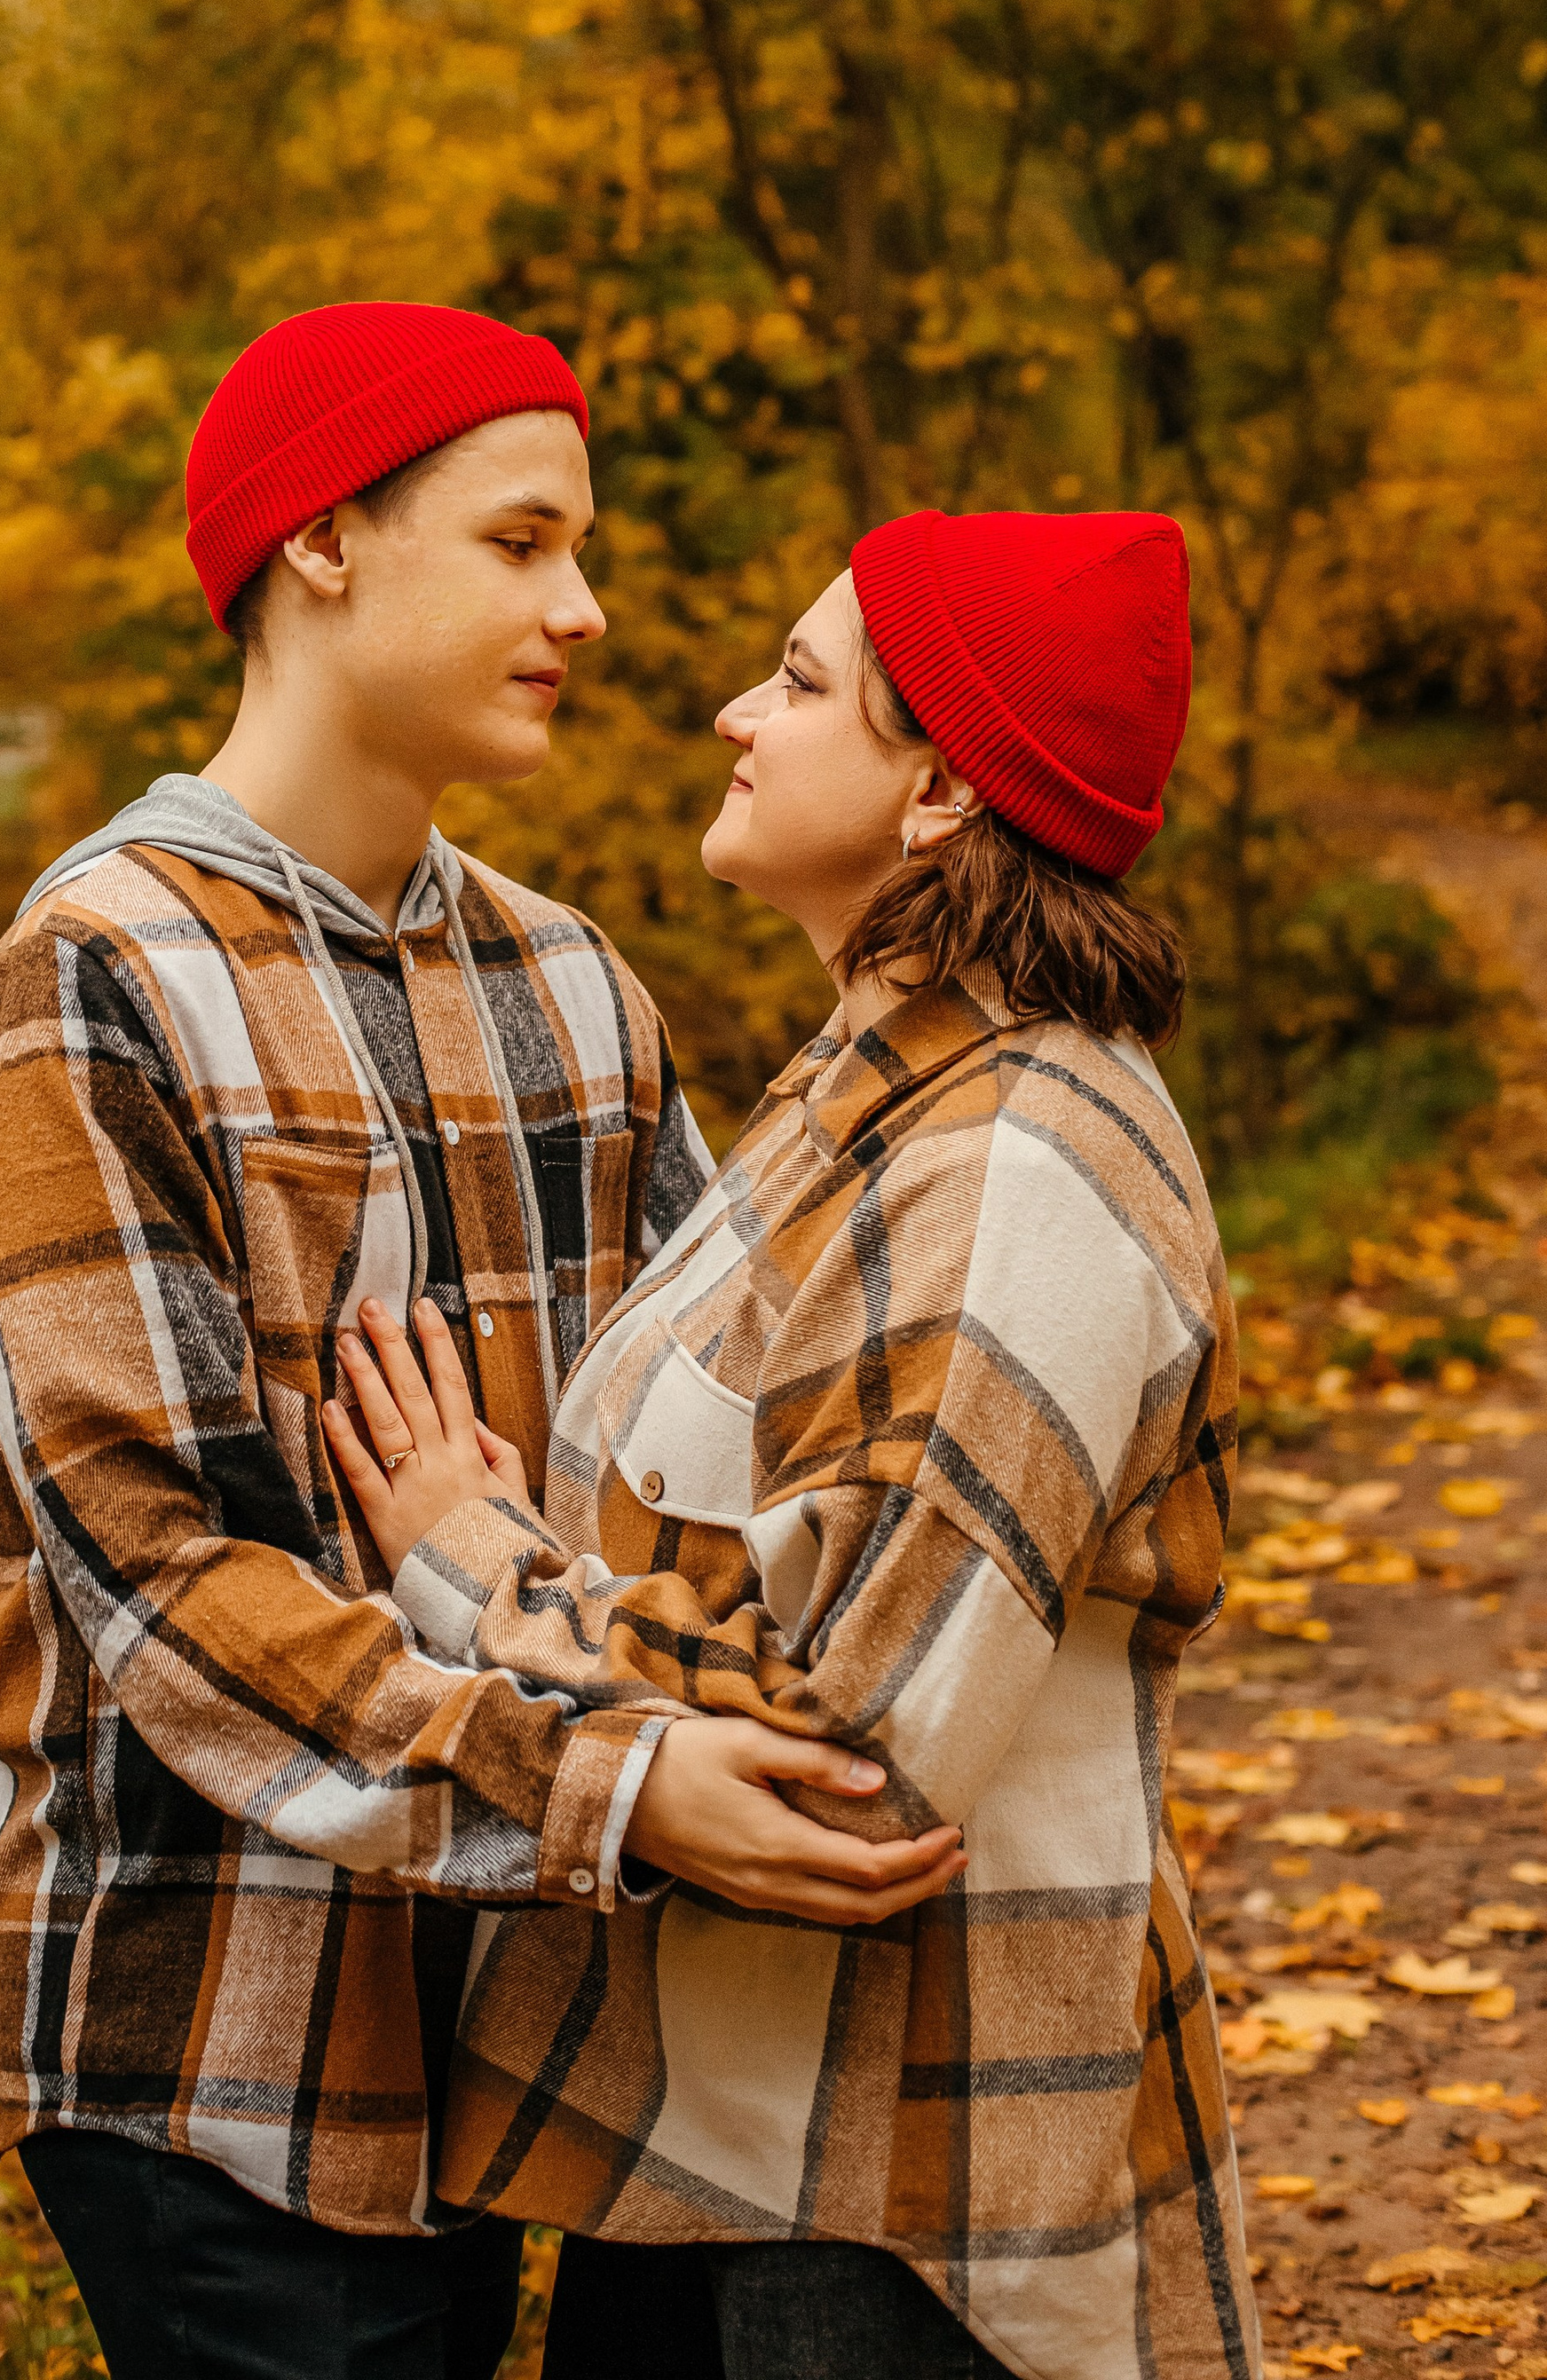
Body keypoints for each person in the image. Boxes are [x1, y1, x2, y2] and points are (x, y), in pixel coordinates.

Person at [0, 303, 966, 2380]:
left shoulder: (569, 981)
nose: (580, 608)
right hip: (228, 2051)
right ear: (318, 542)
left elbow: (702, 1453)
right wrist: (609, 1788)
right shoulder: (80, 991)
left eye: (572, 552)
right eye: (517, 544)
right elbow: (162, 1591)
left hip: (557, 2009)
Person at [327, 508, 1259, 2380]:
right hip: (720, 2162)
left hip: (904, 2221)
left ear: (933, 796)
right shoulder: (861, 1093)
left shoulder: (1018, 1167)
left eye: (801, 681)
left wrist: (464, 1556)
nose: (738, 716)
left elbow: (856, 1754)